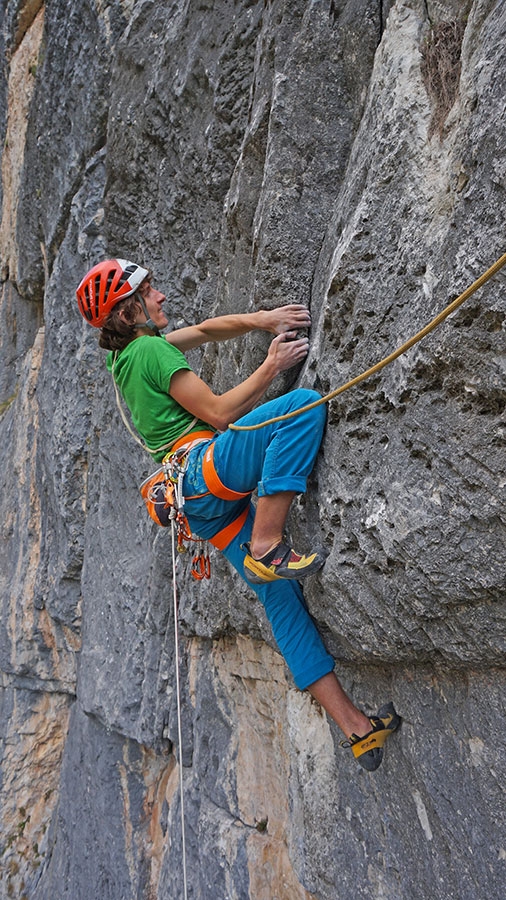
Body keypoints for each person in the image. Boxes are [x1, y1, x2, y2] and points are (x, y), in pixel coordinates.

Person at [76, 258, 401, 770]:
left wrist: (264, 317)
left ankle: (357, 729)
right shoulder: (150, 351)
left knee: (281, 599)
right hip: (204, 474)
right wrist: (272, 364)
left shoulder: (130, 356)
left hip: (198, 508)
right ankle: (268, 544)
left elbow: (205, 331)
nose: (160, 297)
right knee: (303, 408)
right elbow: (221, 413)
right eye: (149, 292)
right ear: (127, 313)